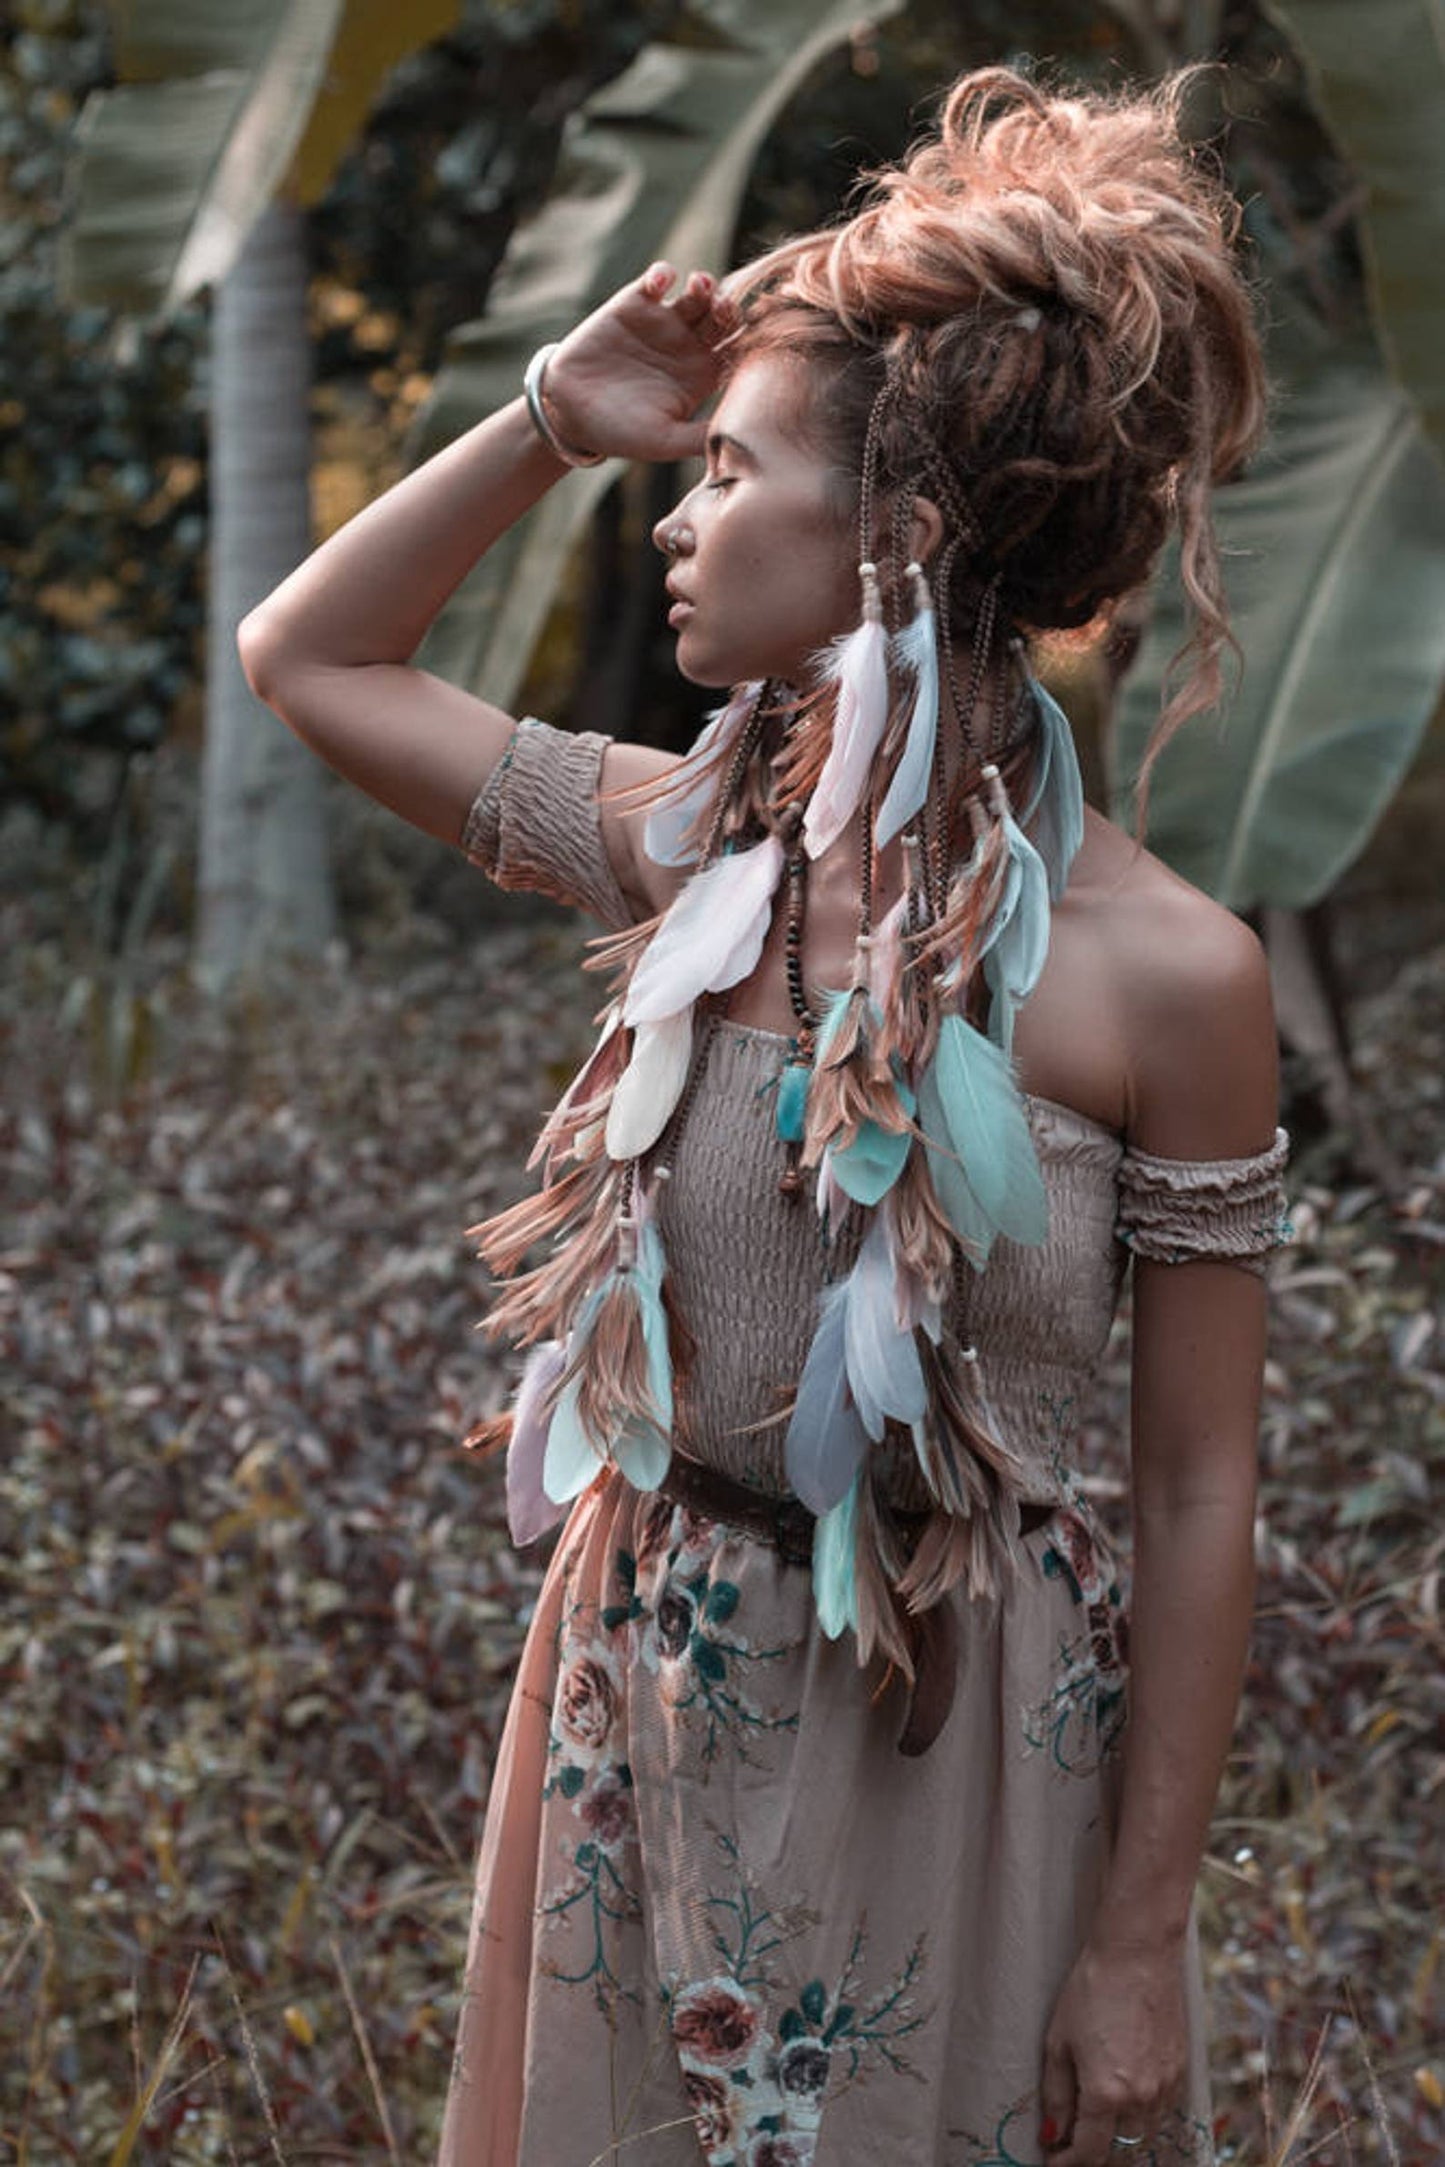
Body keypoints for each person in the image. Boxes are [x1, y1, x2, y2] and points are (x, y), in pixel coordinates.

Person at [240, 65, 1288, 2167]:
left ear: (892, 535)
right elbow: (311, 654)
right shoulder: (688, 852)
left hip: (972, 1752)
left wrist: (1140, 1938)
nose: (679, 517)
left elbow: (1195, 1490)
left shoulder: (1174, 978)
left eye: (726, 472)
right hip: (655, 1688)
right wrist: (553, 408)